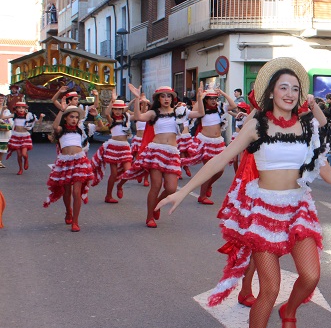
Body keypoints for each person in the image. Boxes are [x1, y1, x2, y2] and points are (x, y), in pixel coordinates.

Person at [156, 57, 331, 328]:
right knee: (270, 288)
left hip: (298, 209)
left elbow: (325, 172)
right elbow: (223, 156)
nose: (290, 94)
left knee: (310, 276)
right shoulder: (257, 125)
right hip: (264, 211)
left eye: (295, 88)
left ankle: (290, 311)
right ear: (272, 92)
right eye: (284, 88)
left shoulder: (310, 128)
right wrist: (183, 190)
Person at [119, 85, 182, 228]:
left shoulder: (179, 112)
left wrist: (199, 97)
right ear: (158, 99)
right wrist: (136, 99)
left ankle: (157, 206)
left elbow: (199, 114)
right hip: (157, 151)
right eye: (163, 96)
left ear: (172, 98)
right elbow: (139, 117)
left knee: (171, 188)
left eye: (169, 96)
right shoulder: (154, 113)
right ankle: (149, 217)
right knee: (156, 185)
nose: (166, 99)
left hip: (172, 152)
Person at [44, 106, 95, 231]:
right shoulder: (61, 130)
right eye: (71, 117)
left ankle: (75, 222)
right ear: (65, 118)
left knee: (76, 192)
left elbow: (102, 127)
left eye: (76, 117)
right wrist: (61, 110)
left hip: (79, 161)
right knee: (66, 191)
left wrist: (97, 115)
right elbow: (55, 126)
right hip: (65, 162)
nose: (74, 119)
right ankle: (68, 212)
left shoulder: (80, 130)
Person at [184, 88, 237, 204]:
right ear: (206, 100)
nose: (213, 101)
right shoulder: (202, 110)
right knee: (209, 171)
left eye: (215, 98)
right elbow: (195, 110)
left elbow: (233, 106)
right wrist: (200, 97)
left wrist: (223, 93)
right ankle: (202, 196)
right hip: (206, 143)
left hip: (218, 143)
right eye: (211, 99)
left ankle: (208, 185)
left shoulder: (220, 108)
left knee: (220, 170)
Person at [90, 97, 133, 203]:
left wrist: (134, 100)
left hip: (124, 147)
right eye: (115, 109)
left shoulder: (127, 118)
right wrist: (111, 101)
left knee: (129, 172)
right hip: (113, 147)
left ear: (123, 110)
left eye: (119, 109)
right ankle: (108, 195)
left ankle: (119, 185)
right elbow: (107, 113)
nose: (117, 111)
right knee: (113, 174)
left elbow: (137, 114)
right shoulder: (112, 120)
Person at [7, 102, 39, 175]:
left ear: (25, 109)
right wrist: (2, 109)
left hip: (25, 136)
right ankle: (20, 169)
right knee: (19, 155)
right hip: (16, 136)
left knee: (24, 154)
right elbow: (2, 117)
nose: (21, 109)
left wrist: (41, 117)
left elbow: (37, 121)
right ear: (16, 109)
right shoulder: (14, 115)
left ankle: (26, 160)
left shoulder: (29, 116)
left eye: (23, 108)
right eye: (19, 108)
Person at [0, 94, 11, 168]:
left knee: (2, 148)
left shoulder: (7, 110)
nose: (1, 100)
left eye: (2, 98)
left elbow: (10, 119)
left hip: (4, 130)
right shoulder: (4, 109)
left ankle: (0, 162)